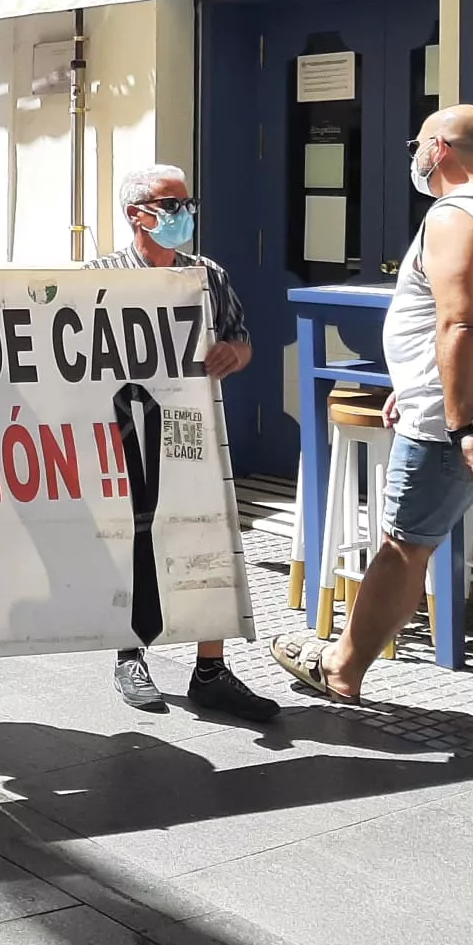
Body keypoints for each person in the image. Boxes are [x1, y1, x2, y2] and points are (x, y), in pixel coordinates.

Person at [273, 107, 473, 749]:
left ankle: (341, 669)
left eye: (418, 144)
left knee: (405, 546)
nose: (414, 154)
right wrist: (411, 389)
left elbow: (460, 323)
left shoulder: (453, 215)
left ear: (439, 148)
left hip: (461, 426)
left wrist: (458, 422)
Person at [91, 166, 279, 722]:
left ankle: (211, 668)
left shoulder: (207, 274)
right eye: (169, 204)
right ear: (136, 215)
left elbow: (242, 341)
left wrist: (231, 355)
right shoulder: (99, 275)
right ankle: (130, 652)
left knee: (207, 530)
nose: (183, 214)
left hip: (193, 425)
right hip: (124, 424)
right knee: (134, 531)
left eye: (185, 203)